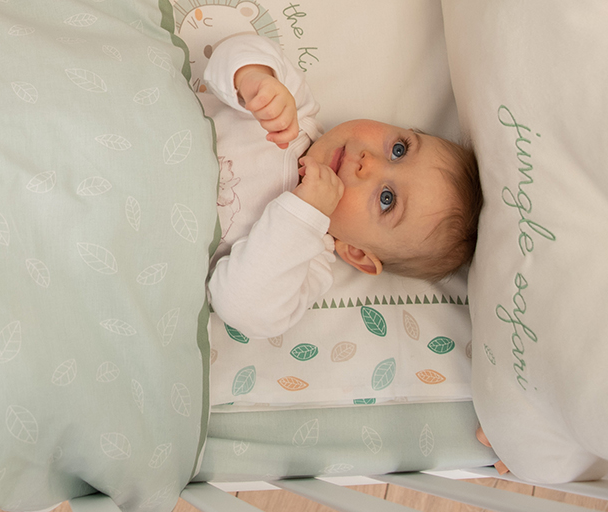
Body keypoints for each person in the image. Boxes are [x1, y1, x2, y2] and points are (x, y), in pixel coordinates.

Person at [202, 32, 481, 339]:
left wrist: (303, 215)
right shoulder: (295, 110)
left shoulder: (307, 263)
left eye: (387, 199)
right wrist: (255, 79)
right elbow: (233, 53)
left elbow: (240, 308)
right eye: (398, 150)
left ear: (357, 253)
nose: (368, 163)